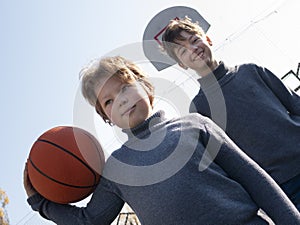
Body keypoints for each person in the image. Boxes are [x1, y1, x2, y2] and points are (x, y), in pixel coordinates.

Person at [23, 56, 300, 225]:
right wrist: (41, 203)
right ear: (107, 117)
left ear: (145, 85)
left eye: (124, 88)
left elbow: (257, 180)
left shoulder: (196, 124)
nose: (120, 100)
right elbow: (90, 220)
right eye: (108, 100)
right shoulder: (116, 168)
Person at [161, 16, 300, 211]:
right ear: (182, 65)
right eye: (183, 51)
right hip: (283, 188)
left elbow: (295, 105)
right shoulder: (199, 108)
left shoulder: (252, 71)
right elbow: (224, 160)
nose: (193, 49)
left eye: (194, 40)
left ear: (207, 40)